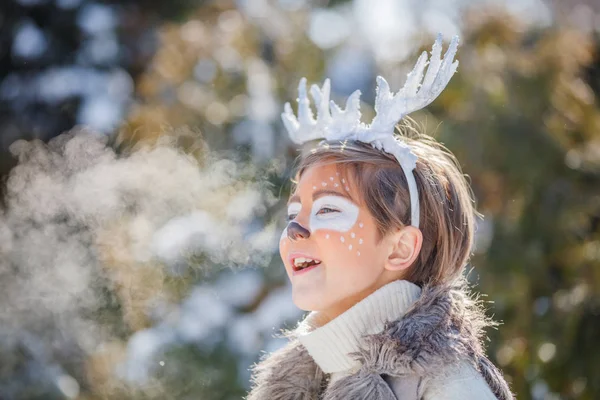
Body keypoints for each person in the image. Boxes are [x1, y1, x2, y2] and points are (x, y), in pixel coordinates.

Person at [246, 34, 513, 400]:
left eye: (327, 210)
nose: (294, 229)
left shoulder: (448, 385)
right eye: (294, 213)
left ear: (400, 248)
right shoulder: (307, 382)